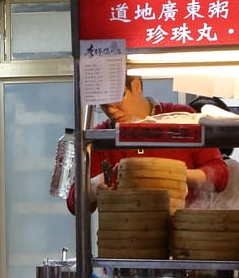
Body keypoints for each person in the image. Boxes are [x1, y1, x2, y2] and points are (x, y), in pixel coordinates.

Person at [67, 76, 227, 213]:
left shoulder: (182, 118)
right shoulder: (101, 138)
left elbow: (220, 174)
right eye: (103, 104)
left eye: (117, 98)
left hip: (182, 231)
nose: (111, 110)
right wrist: (93, 187)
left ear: (136, 85)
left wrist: (175, 176)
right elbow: (74, 204)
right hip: (124, 232)